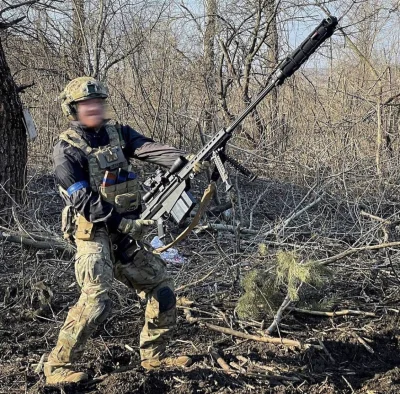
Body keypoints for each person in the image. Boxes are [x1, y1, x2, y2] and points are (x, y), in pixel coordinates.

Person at [44, 77, 205, 385]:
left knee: (162, 289)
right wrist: (123, 223)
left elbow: (149, 149)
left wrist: (185, 160)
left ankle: (154, 357)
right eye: (86, 104)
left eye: (98, 103)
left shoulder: (119, 133)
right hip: (94, 234)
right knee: (96, 300)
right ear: (73, 110)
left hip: (126, 232)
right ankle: (58, 366)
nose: (93, 108)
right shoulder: (66, 150)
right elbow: (82, 199)